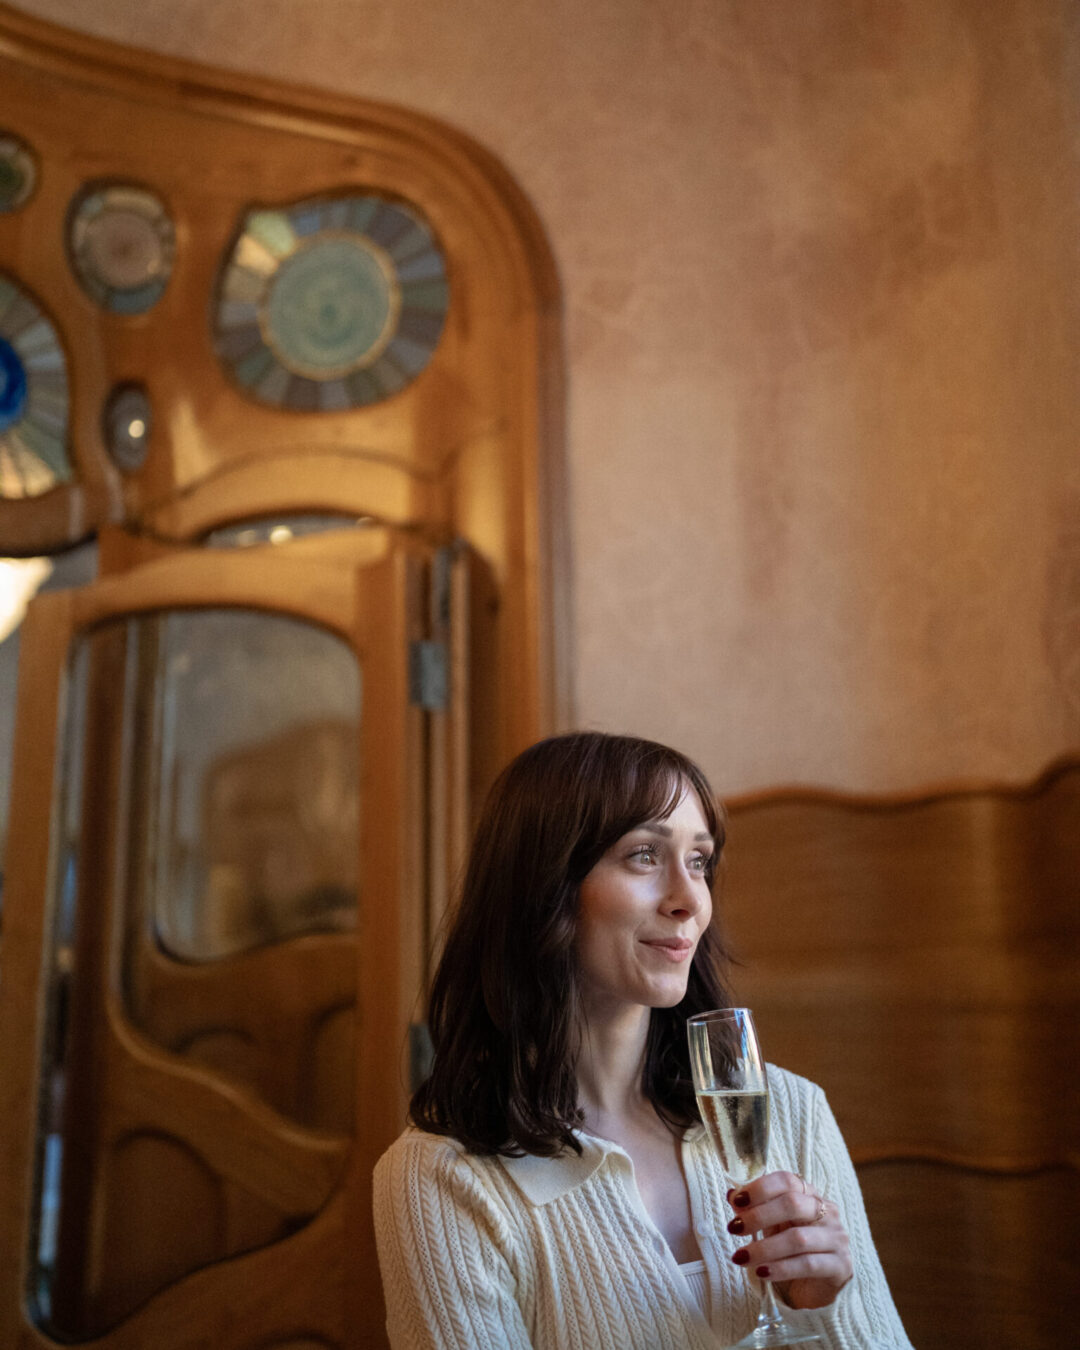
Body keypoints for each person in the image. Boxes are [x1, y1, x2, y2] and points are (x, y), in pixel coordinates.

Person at [374, 732, 913, 1349]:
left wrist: (823, 1309)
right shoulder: (441, 1177)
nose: (690, 900)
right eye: (644, 855)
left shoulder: (791, 1113)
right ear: (544, 886)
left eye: (699, 861)